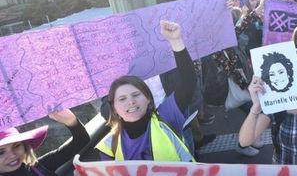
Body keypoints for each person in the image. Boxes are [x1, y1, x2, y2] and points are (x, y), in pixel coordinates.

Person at [96, 21, 195, 161]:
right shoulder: (109, 145)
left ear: (148, 98)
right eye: (122, 99)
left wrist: (176, 40)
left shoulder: (166, 117)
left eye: (136, 95)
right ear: (114, 108)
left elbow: (188, 81)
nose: (131, 101)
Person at [0, 110, 88, 176]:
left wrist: (71, 121)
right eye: (1, 152)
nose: (12, 155)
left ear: (24, 146)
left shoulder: (40, 167)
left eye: (16, 146)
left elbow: (81, 141)